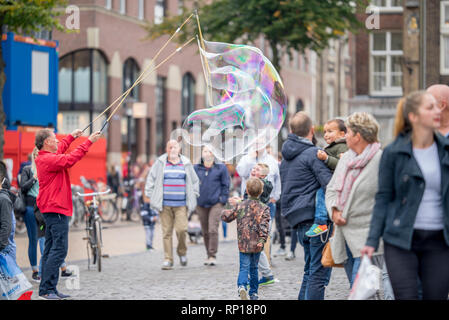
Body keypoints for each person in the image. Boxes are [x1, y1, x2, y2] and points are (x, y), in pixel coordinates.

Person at [361, 90, 449, 300]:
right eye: (430, 107)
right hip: (401, 239)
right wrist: (372, 240)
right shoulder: (393, 152)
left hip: (440, 240)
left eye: (437, 106)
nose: (438, 111)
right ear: (414, 117)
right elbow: (383, 197)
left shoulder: (446, 150)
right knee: (407, 296)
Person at [324, 112, 393, 299]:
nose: (345, 136)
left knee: (360, 288)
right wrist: (334, 210)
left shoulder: (381, 160)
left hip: (368, 237)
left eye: (348, 132)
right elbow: (331, 190)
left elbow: (387, 197)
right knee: (359, 288)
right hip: (343, 234)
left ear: (358, 136)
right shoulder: (346, 158)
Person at [35, 128, 102, 300]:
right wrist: (89, 142)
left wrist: (73, 136)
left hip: (53, 208)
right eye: (54, 139)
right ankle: (47, 289)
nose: (57, 141)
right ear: (47, 143)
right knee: (59, 249)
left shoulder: (47, 156)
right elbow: (70, 159)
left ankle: (48, 289)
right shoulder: (47, 159)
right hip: (55, 209)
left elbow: (62, 147)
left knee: (51, 249)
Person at [280, 111, 333, 300]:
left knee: (310, 270)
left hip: (296, 219)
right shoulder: (312, 154)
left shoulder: (286, 157)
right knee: (318, 274)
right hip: (314, 219)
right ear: (312, 130)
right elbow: (330, 184)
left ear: (291, 130)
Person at [144, 140, 199, 270]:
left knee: (181, 230)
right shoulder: (160, 162)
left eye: (175, 147)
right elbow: (151, 178)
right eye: (170, 147)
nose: (172, 149)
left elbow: (194, 181)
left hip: (181, 205)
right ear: (166, 149)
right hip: (164, 205)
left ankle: (182, 252)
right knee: (166, 232)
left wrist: (194, 194)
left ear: (179, 149)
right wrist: (151, 195)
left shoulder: (185, 163)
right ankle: (168, 259)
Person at [20, 148, 71, 282]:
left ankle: (54, 268)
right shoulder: (27, 170)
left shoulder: (48, 168)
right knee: (33, 239)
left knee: (47, 237)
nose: (38, 157)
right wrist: (34, 178)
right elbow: (23, 187)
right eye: (36, 155)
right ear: (33, 156)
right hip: (31, 208)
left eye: (40, 154)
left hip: (44, 207)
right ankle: (35, 270)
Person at [222, 177, 271, 300]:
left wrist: (223, 211)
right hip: (257, 244)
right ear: (261, 192)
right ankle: (254, 293)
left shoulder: (240, 206)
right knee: (254, 268)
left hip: (243, 243)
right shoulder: (264, 208)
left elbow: (228, 217)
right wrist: (262, 240)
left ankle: (242, 287)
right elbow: (264, 226)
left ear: (247, 191)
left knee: (244, 267)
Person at [306, 119, 348, 237]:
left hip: (336, 183)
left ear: (342, 134)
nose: (326, 134)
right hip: (331, 181)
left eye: (330, 131)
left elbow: (342, 164)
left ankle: (320, 222)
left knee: (320, 193)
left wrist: (326, 159)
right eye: (325, 132)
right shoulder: (333, 146)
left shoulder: (342, 146)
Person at [194, 146, 230, 266]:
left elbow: (226, 185)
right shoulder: (196, 168)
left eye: (210, 151)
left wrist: (222, 200)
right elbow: (191, 184)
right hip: (200, 204)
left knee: (212, 229)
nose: (208, 153)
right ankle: (208, 254)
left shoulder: (221, 168)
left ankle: (212, 254)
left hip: (216, 203)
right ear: (202, 154)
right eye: (205, 151)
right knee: (205, 231)